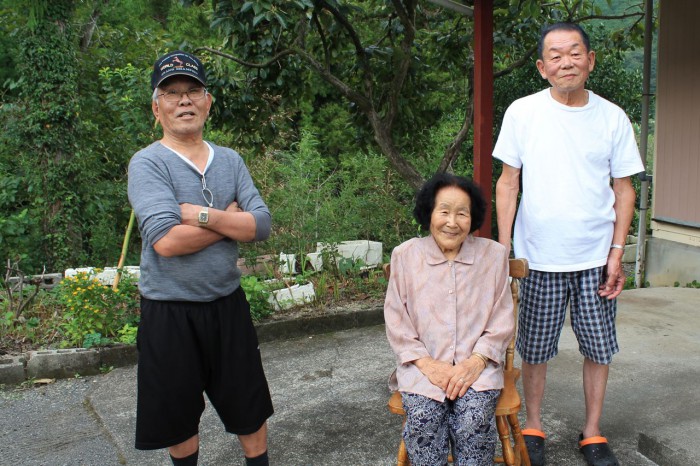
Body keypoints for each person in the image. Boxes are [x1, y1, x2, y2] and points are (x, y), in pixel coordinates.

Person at [494, 23, 644, 466]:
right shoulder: (522, 112)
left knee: (598, 348)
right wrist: (505, 250)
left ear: (591, 60)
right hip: (538, 256)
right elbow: (508, 184)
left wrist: (617, 252)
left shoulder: (612, 117)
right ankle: (534, 426)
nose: (567, 62)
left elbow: (624, 191)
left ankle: (592, 432)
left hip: (597, 258)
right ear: (542, 67)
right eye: (556, 56)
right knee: (535, 349)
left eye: (575, 53)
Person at [127, 50, 273, 466]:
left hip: (227, 305)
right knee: (178, 418)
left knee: (249, 407)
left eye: (193, 90)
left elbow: (261, 225)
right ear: (157, 108)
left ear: (208, 101)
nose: (184, 101)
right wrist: (231, 219)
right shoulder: (148, 163)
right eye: (171, 93)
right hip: (169, 312)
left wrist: (202, 214)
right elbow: (166, 242)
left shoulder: (230, 160)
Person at [384, 173, 515, 466]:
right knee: (422, 418)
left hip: (478, 368)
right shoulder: (405, 256)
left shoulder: (493, 256)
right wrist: (427, 364)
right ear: (429, 213)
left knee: (475, 419)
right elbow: (396, 319)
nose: (452, 222)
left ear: (473, 218)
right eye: (444, 211)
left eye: (462, 213)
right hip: (422, 368)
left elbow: (502, 318)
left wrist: (475, 362)